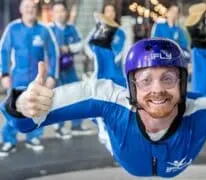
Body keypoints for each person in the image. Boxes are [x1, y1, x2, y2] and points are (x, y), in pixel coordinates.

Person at [4, 36, 206, 177]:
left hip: (162, 137)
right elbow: (25, 122)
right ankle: (101, 42)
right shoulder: (109, 96)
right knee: (101, 94)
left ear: (183, 83)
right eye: (145, 80)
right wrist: (21, 101)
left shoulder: (204, 109)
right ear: (132, 87)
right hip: (115, 129)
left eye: (168, 78)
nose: (158, 89)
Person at [0, 0, 59, 156]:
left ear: (36, 10)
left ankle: (33, 137)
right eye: (27, 7)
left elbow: (54, 54)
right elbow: (4, 51)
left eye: (32, 7)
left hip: (37, 79)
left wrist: (53, 76)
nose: (30, 9)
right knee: (13, 110)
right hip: (17, 78)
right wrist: (4, 73)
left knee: (36, 110)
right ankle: (8, 140)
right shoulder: (13, 28)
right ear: (21, 10)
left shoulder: (44, 30)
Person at [49, 2, 91, 138]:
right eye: (57, 11)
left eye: (62, 11)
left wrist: (69, 48)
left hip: (70, 69)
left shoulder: (72, 28)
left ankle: (76, 125)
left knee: (76, 96)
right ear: (52, 13)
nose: (60, 14)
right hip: (55, 71)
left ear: (66, 13)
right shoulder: (48, 30)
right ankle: (59, 128)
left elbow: (80, 44)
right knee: (58, 99)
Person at [84, 3, 126, 86]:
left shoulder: (121, 31)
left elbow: (120, 52)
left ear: (115, 13)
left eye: (112, 11)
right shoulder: (97, 29)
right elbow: (88, 44)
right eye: (107, 11)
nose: (110, 14)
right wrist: (94, 54)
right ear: (103, 13)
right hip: (97, 68)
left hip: (114, 69)